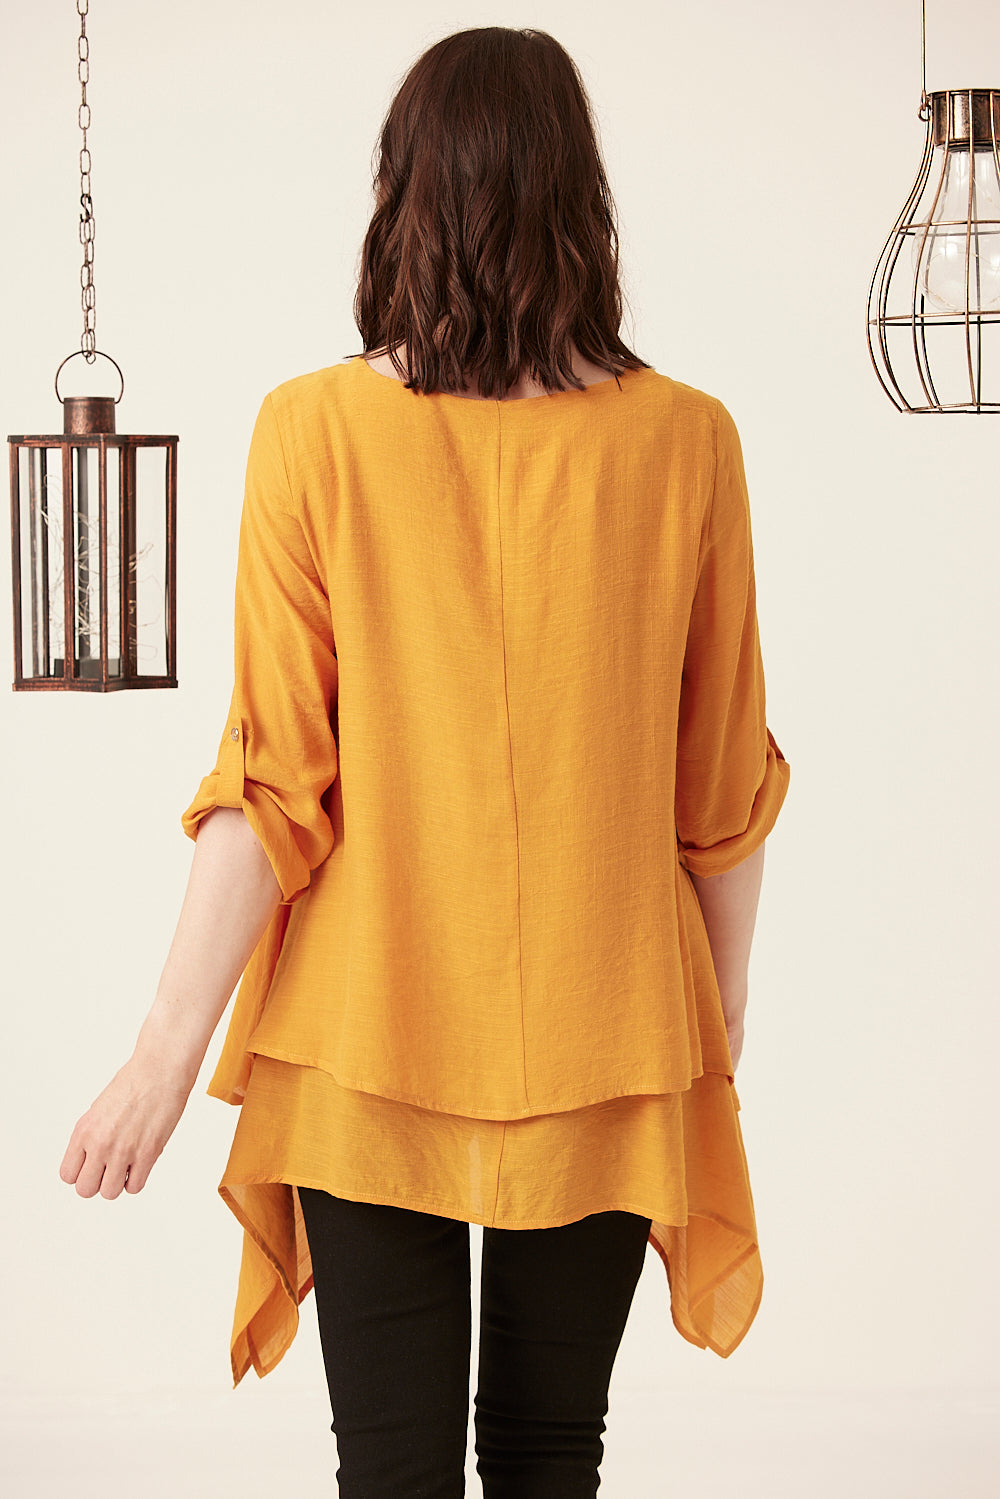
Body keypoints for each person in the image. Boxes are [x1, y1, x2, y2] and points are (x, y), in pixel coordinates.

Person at [59, 24, 790, 1499]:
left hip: (365, 1031)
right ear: (582, 199)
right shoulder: (688, 441)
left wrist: (162, 1055)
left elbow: (271, 786)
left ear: (403, 194)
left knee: (389, 1473)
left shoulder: (310, 433)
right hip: (610, 1029)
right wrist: (711, 1027)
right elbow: (720, 794)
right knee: (549, 1459)